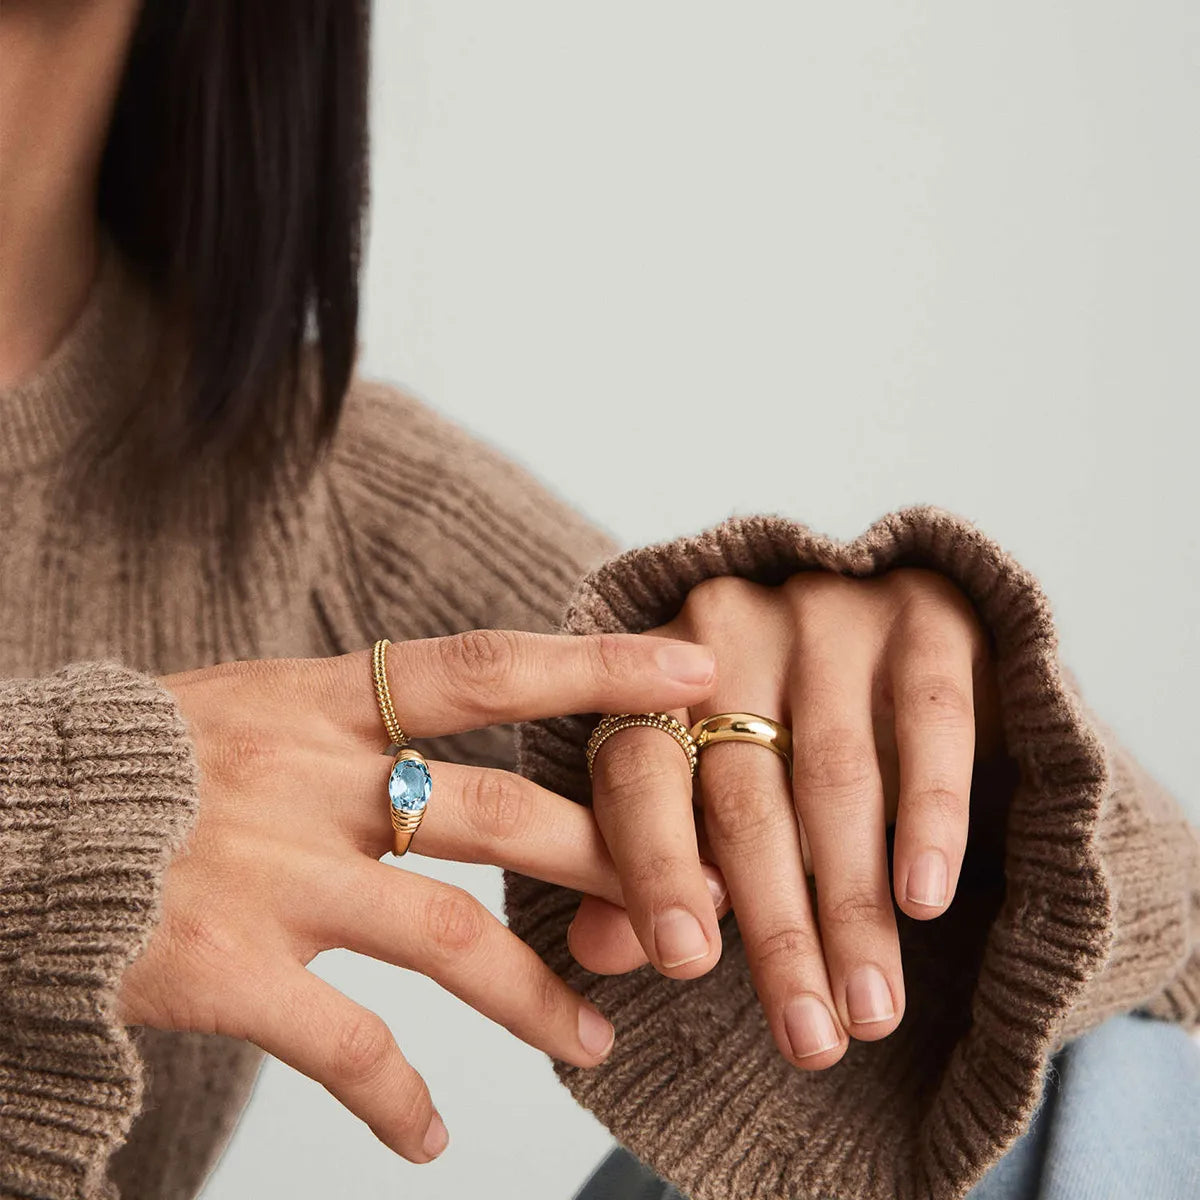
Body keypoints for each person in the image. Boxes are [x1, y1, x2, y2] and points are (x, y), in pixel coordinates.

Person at [0, 4, 1196, 1200]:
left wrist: (975, 775)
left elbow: (1178, 963)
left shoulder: (301, 489)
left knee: (1095, 1097)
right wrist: (46, 823)